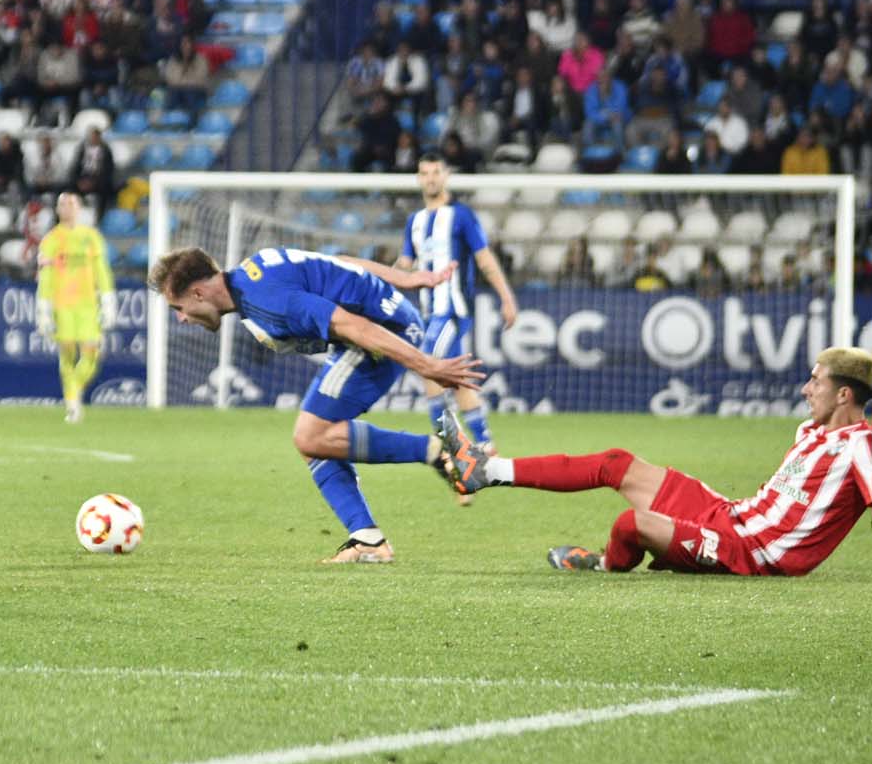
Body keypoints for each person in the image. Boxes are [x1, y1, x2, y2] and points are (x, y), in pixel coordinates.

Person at [150, 245, 481, 564]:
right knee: (315, 440)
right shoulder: (253, 274)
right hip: (368, 334)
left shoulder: (270, 301)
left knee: (310, 436)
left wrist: (427, 366)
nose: (181, 319)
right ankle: (367, 538)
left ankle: (440, 451)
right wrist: (404, 279)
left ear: (197, 293)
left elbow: (354, 325)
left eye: (177, 308)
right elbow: (336, 262)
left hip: (381, 333)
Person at [441, 348, 872, 577]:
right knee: (616, 462)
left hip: (750, 553)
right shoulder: (810, 431)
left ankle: (605, 563)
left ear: (843, 395)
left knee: (633, 524)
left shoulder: (860, 445)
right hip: (729, 515)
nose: (804, 388)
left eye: (815, 380)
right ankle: (487, 472)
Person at [395, 153, 518, 494]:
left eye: (436, 172)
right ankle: (486, 447)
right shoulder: (415, 221)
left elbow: (484, 258)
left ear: (446, 176)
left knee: (429, 368)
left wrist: (506, 297)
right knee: (458, 379)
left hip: (451, 311)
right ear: (419, 178)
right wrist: (380, 280)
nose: (431, 178)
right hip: (427, 312)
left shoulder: (461, 216)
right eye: (424, 173)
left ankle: (448, 449)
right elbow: (406, 262)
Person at [36, 192, 116, 424]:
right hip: (62, 305)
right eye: (63, 204)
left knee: (92, 354)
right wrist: (43, 307)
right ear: (58, 210)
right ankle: (72, 405)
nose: (67, 208)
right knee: (68, 354)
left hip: (88, 305)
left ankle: (73, 391)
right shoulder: (51, 240)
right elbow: (46, 275)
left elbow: (102, 269)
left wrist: (108, 299)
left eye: (71, 204)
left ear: (79, 208)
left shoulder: (91, 237)